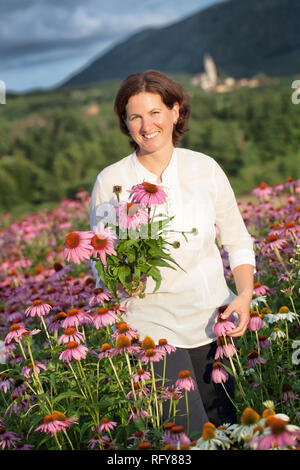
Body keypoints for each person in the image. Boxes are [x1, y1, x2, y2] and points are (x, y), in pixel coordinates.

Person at [89, 70, 255, 435]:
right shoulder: (111, 181)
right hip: (152, 329)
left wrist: (244, 295)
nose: (147, 125)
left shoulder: (204, 168)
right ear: (125, 123)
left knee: (226, 428)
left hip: (213, 320)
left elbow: (237, 240)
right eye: (135, 117)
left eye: (156, 112)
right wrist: (121, 282)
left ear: (175, 112)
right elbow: (101, 257)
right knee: (189, 435)